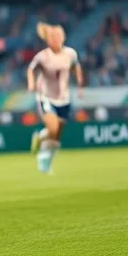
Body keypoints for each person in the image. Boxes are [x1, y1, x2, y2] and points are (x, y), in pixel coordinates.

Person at [28, 23, 83, 174]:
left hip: (63, 98)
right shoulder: (43, 56)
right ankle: (42, 160)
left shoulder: (70, 53)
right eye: (53, 37)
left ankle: (41, 141)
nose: (56, 39)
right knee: (53, 128)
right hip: (46, 96)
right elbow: (31, 69)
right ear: (48, 39)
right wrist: (31, 83)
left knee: (56, 135)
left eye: (59, 36)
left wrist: (79, 84)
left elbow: (75, 66)